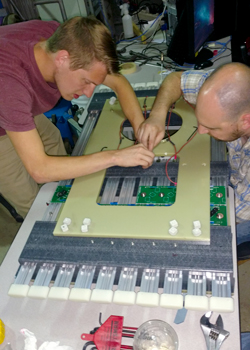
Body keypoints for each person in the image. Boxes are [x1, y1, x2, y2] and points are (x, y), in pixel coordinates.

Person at [0, 16, 155, 218]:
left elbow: (118, 83)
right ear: (62, 59)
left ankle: (65, 198)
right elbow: (39, 169)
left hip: (14, 101)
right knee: (37, 209)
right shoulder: (11, 84)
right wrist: (116, 156)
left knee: (53, 143)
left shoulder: (64, 40)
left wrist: (139, 127)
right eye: (86, 81)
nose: (89, 93)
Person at [137, 62, 250, 244]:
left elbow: (233, 214)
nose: (200, 131)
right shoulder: (223, 91)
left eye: (211, 126)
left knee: (213, 239)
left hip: (246, 213)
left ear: (246, 122)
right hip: (239, 176)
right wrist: (157, 114)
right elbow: (176, 79)